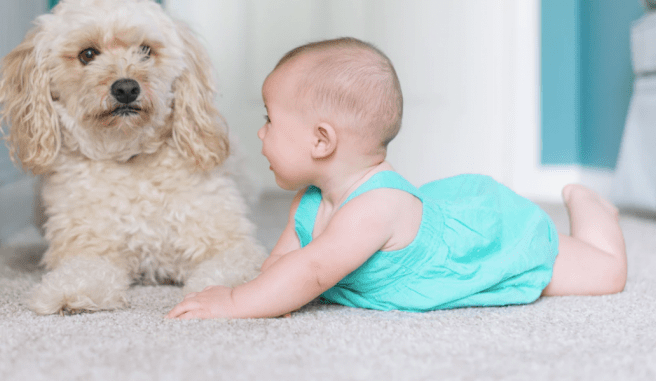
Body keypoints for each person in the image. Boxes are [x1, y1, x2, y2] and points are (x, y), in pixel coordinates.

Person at [166, 37, 628, 319]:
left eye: (270, 121)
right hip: (436, 213)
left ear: (321, 141)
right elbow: (283, 269)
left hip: (484, 240)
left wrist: (233, 303)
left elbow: (312, 271)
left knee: (606, 274)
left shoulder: (374, 209)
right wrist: (262, 295)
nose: (261, 133)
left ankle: (591, 207)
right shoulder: (309, 202)